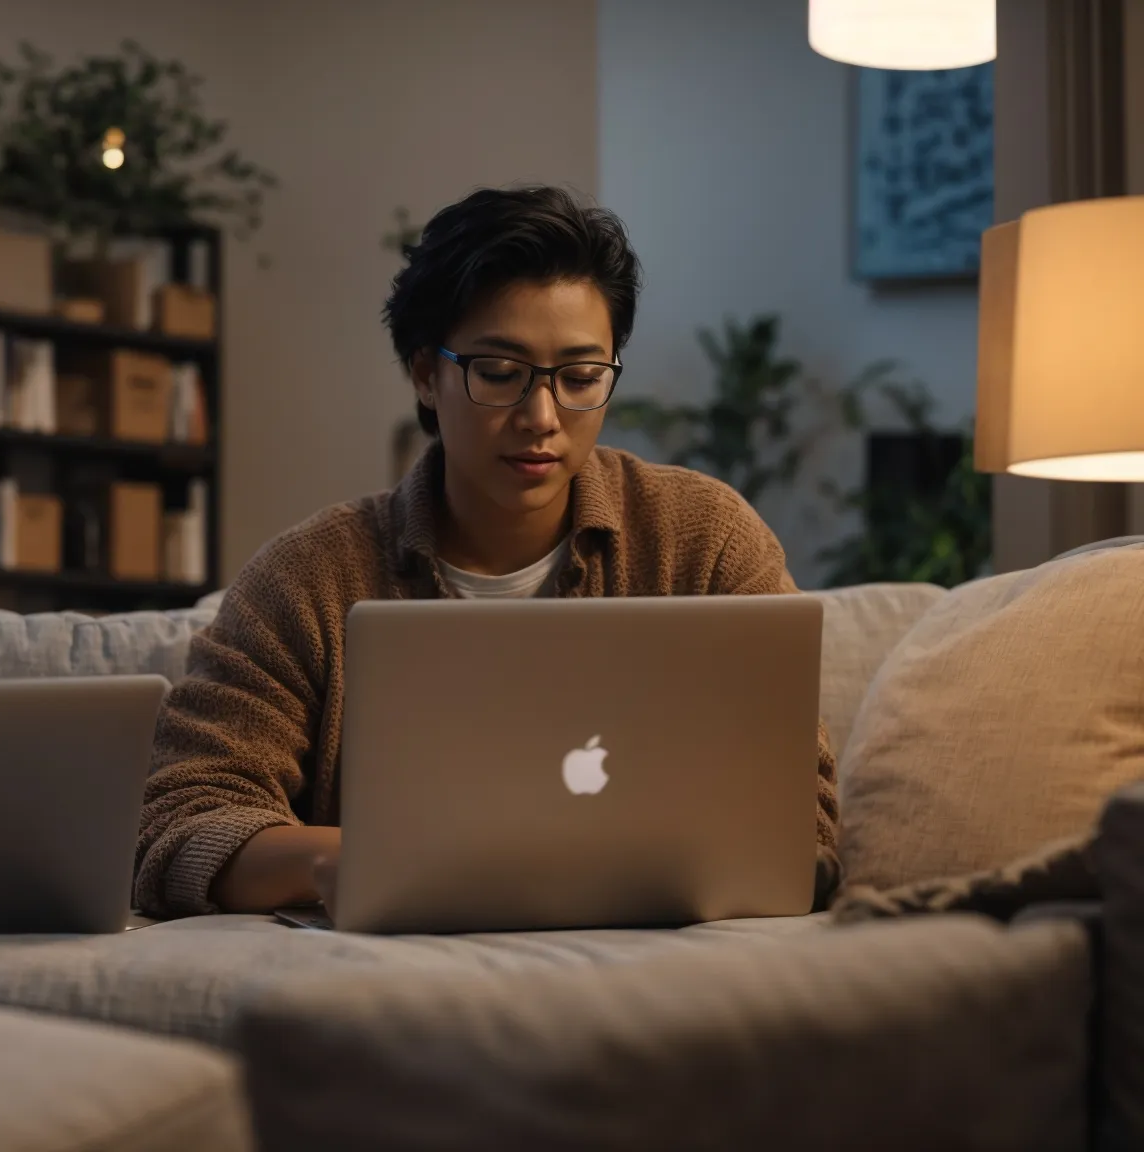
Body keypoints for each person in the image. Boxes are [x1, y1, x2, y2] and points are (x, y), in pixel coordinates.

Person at [133, 185, 839, 920]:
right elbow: (179, 821)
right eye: (499, 373)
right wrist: (353, 861)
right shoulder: (309, 578)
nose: (541, 417)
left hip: (652, 962)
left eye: (580, 377)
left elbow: (802, 819)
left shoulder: (706, 540)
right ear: (424, 373)